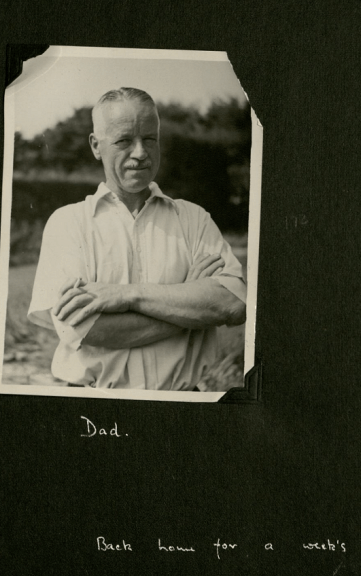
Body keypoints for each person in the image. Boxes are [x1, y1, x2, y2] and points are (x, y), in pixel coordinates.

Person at [27, 87, 247, 391]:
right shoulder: (68, 223)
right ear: (96, 145)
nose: (140, 153)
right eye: (124, 141)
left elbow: (233, 304)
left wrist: (125, 295)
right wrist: (188, 303)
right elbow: (82, 328)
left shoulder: (194, 219)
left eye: (150, 138)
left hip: (183, 408)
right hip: (97, 409)